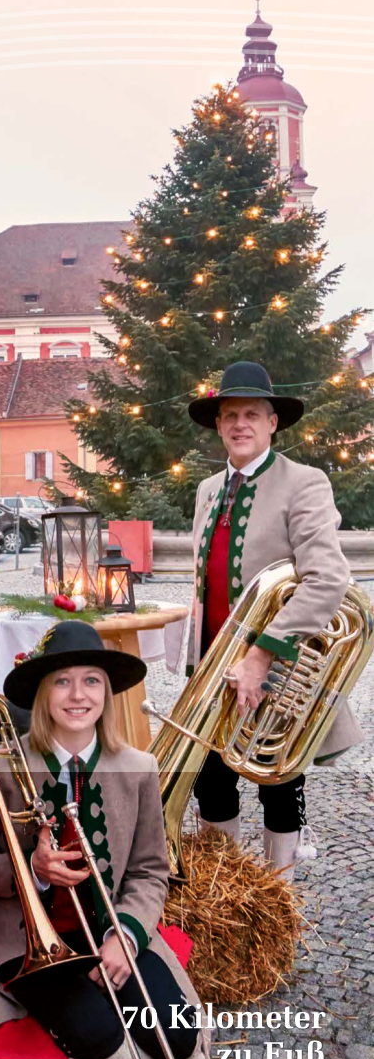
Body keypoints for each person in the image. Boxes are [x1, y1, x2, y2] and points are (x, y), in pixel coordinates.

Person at [0, 622, 225, 1059]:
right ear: (43, 694)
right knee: (94, 1027)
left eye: (92, 682)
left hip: (113, 930)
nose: (78, 695)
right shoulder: (0, 766)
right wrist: (29, 868)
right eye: (63, 682)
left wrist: (127, 934)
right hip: (30, 938)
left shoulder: (139, 767)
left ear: (108, 693)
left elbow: (152, 869)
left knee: (172, 1032)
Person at [186, 361, 361, 880]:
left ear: (271, 423)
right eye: (230, 415)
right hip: (215, 669)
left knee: (279, 784)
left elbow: (327, 579)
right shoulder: (206, 490)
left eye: (252, 415)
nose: (240, 424)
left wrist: (262, 653)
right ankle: (226, 895)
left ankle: (277, 902)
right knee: (210, 782)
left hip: (280, 669)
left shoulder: (304, 483)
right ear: (219, 425)